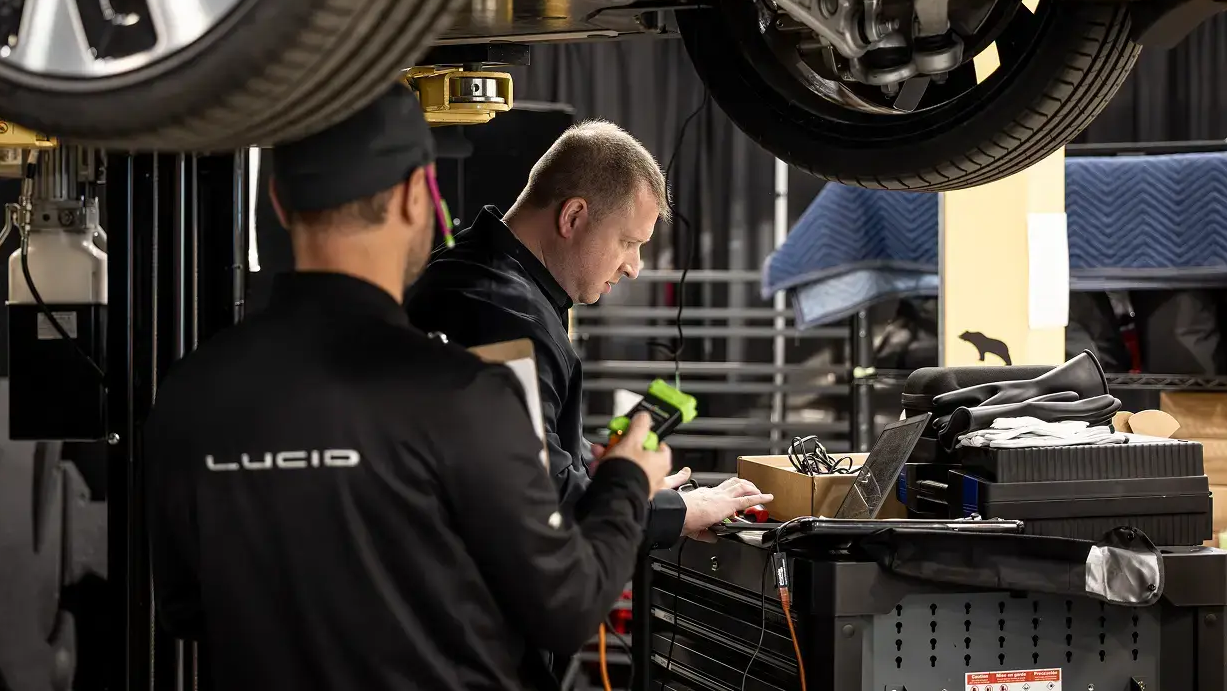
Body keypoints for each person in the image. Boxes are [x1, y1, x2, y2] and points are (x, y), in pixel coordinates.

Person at [144, 86, 676, 691]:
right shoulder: (469, 395)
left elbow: (186, 608)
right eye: (631, 244)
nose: (632, 263)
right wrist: (629, 479)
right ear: (418, 197)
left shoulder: (192, 393)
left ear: (278, 200)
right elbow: (567, 606)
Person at [406, 119, 772, 550]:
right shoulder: (503, 316)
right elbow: (540, 498)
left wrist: (613, 475)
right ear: (574, 215)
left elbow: (525, 447)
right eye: (628, 242)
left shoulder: (479, 273)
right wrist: (677, 510)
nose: (634, 266)